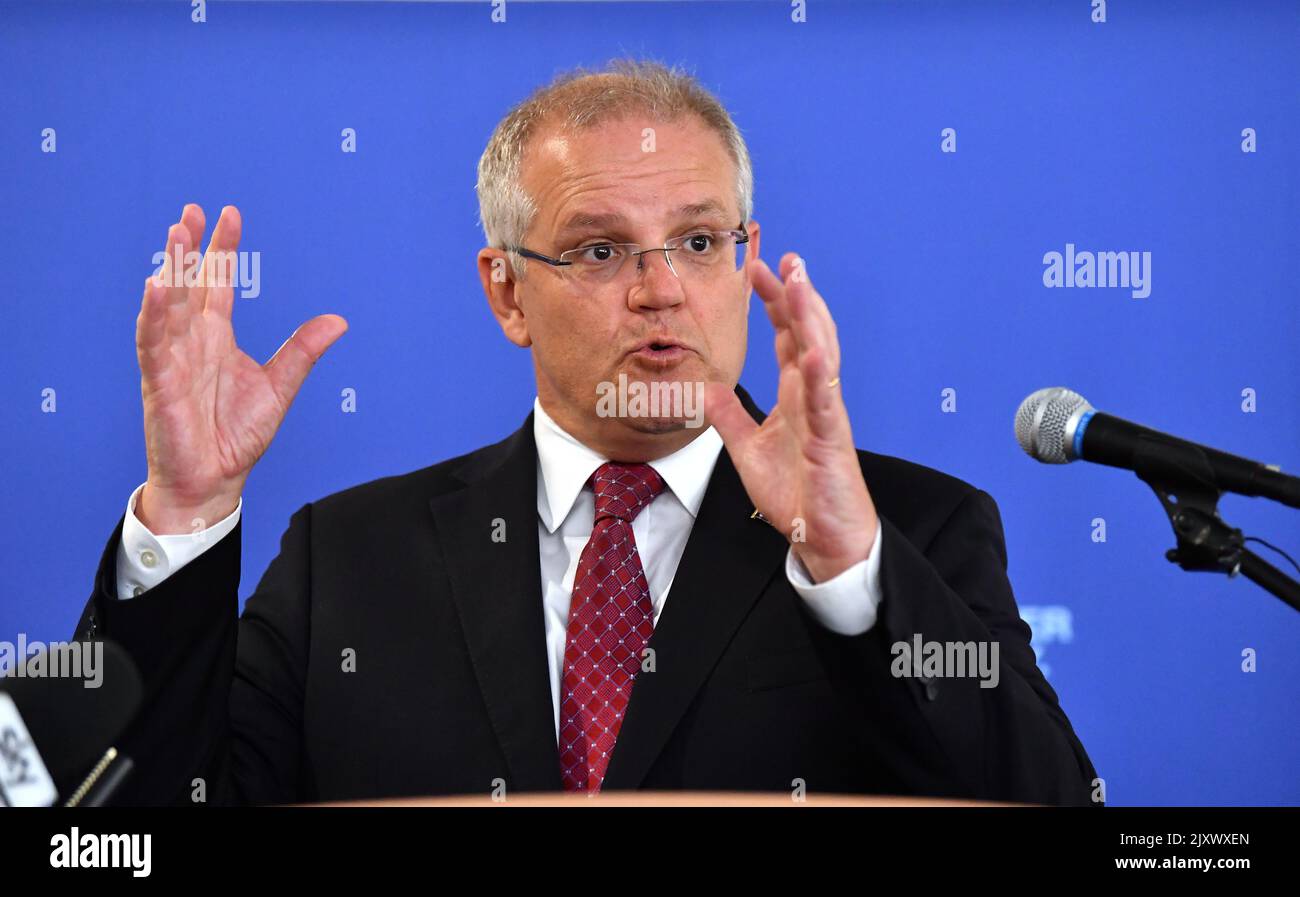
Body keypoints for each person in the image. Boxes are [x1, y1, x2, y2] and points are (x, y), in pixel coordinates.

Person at [75, 58, 1099, 805]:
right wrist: (187, 511)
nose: (661, 292)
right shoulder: (346, 560)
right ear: (506, 292)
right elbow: (128, 829)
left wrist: (845, 568)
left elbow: (1050, 803)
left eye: (699, 242)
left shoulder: (912, 530)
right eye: (601, 250)